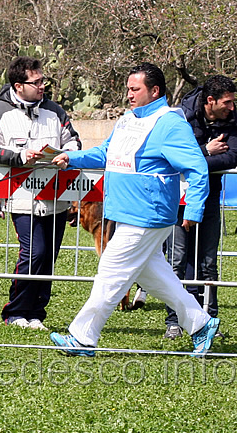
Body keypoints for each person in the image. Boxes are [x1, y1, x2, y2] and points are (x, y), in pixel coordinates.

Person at [50, 63, 220, 357]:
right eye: (128, 89)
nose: (128, 95)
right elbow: (106, 153)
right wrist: (71, 157)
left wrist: (194, 208)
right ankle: (201, 324)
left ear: (154, 91)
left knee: (110, 273)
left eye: (135, 89)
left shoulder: (170, 124)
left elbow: (197, 167)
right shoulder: (127, 120)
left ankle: (82, 338)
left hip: (146, 216)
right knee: (159, 279)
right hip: (127, 213)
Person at [0, 56, 81, 330]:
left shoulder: (55, 111)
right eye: (35, 82)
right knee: (34, 253)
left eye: (42, 81)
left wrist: (68, 154)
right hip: (21, 197)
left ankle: (36, 313)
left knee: (48, 257)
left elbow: (73, 139)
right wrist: (21, 155)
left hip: (56, 197)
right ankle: (15, 311)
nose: (41, 86)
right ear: (18, 85)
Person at [162, 75, 237, 339]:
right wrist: (205, 150)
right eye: (227, 102)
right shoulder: (179, 117)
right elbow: (171, 156)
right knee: (177, 261)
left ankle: (210, 320)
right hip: (179, 200)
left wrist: (192, 159)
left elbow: (232, 156)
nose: (231, 107)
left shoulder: (233, 119)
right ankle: (174, 320)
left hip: (210, 199)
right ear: (210, 101)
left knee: (208, 263)